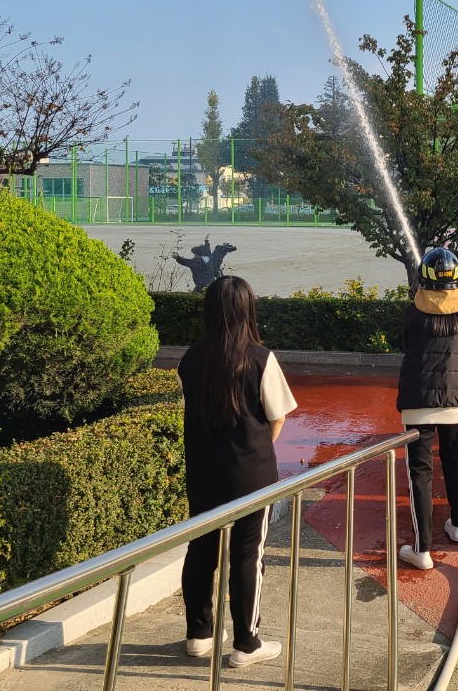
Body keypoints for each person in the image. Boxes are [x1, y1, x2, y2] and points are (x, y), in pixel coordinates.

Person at [177, 276, 297, 668]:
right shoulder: (260, 358)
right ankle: (247, 643)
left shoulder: (190, 359)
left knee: (201, 550)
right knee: (247, 555)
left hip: (203, 472)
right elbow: (277, 417)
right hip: (250, 476)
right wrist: (255, 450)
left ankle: (199, 635)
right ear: (248, 310)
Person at [395, 248, 458, 571]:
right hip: (455, 401)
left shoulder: (412, 314)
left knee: (420, 472)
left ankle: (422, 549)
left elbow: (405, 346)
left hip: (418, 402)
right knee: (452, 458)